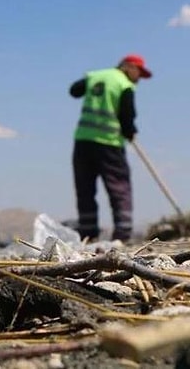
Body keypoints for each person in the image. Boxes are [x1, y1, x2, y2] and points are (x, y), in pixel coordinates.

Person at [69, 54, 152, 242]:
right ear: (128, 67)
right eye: (139, 72)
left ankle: (88, 235)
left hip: (83, 142)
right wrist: (130, 132)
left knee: (85, 189)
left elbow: (74, 91)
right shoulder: (124, 84)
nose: (138, 78)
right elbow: (127, 115)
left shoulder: (95, 76)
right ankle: (122, 236)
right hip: (109, 144)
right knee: (119, 188)